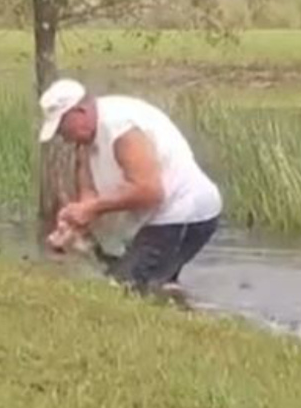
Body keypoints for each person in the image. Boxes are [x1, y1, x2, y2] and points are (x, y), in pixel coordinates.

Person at [38, 78, 222, 294]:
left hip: (185, 212)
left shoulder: (121, 129)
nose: (63, 136)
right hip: (155, 218)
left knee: (122, 290)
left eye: (62, 127)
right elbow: (89, 192)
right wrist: (75, 222)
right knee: (147, 283)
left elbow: (150, 192)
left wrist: (93, 208)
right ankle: (170, 299)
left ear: (80, 112)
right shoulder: (86, 139)